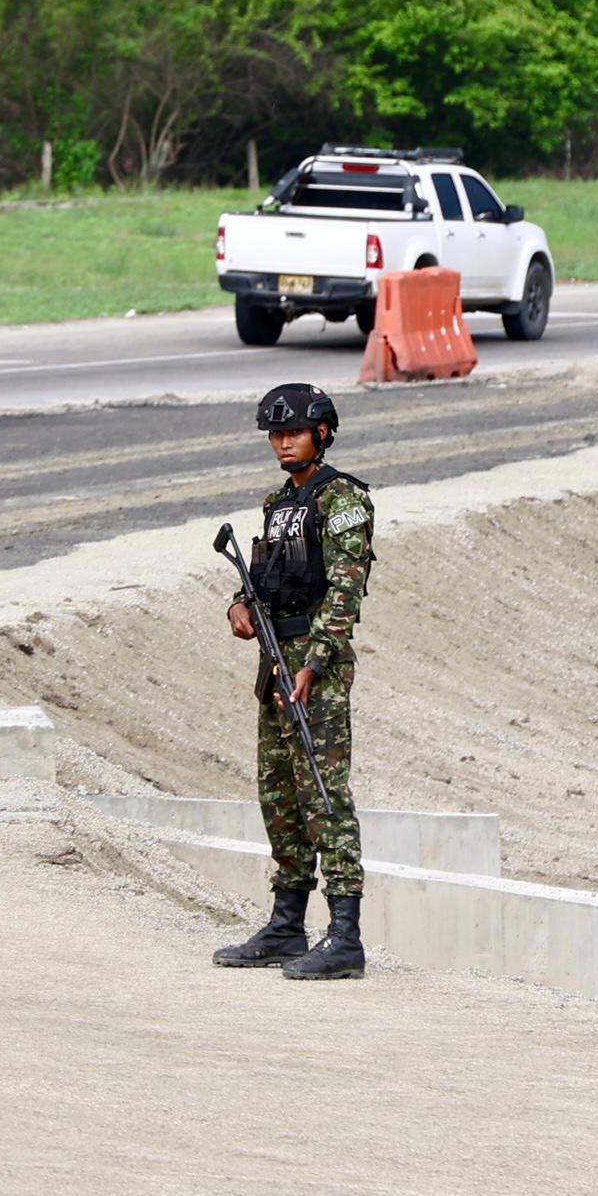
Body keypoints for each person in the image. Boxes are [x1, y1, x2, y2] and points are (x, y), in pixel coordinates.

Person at [211, 380, 375, 980]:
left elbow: (345, 590)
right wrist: (239, 606)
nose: (283, 443)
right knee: (279, 794)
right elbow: (265, 577)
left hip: (315, 665)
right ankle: (286, 925)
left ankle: (346, 935)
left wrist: (316, 662)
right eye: (276, 435)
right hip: (275, 660)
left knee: (324, 796)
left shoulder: (343, 500)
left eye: (294, 433)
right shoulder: (276, 505)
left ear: (322, 434)